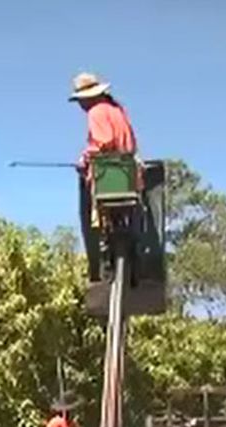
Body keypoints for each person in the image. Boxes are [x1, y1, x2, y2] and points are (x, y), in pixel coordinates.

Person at [69, 72, 139, 283]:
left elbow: (104, 141)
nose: (81, 105)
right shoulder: (118, 110)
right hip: (129, 175)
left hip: (108, 176)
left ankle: (99, 264)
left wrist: (85, 157)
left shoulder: (96, 111)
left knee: (89, 211)